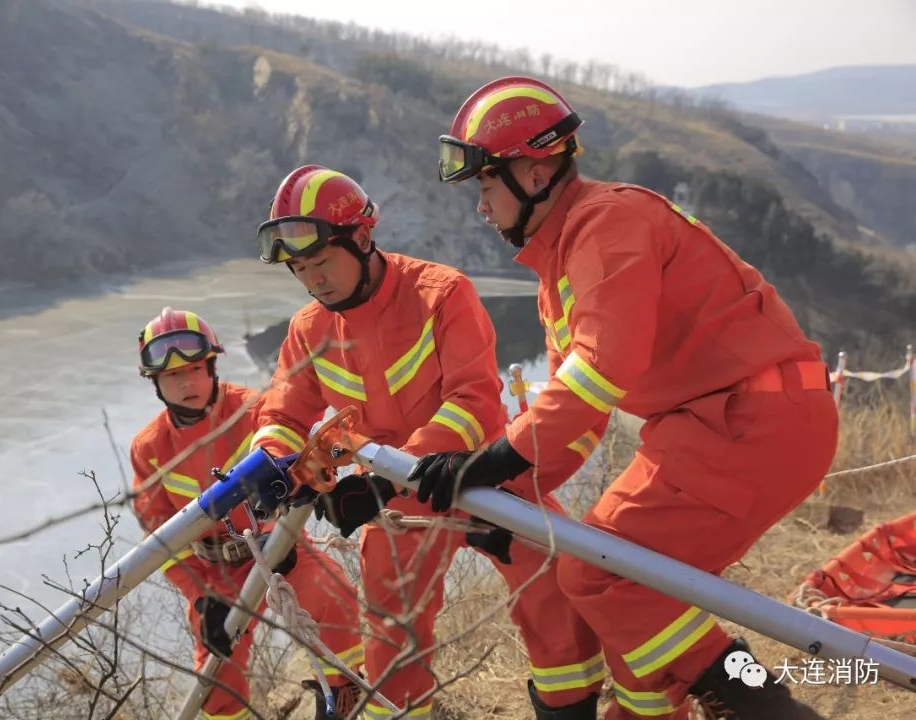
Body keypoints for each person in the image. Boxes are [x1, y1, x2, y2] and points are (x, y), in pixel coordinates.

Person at [410, 75, 837, 719]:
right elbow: (579, 414)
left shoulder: (607, 223)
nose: (480, 207)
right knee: (626, 604)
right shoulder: (562, 262)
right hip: (716, 425)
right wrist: (507, 493)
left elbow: (601, 369)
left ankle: (765, 707)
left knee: (601, 575)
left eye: (485, 185)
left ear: (533, 172)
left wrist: (498, 458)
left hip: (754, 422)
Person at [252, 165, 600, 719]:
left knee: (552, 593)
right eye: (298, 269)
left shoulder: (441, 293)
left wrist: (384, 480)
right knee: (394, 641)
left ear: (362, 238)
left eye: (320, 262)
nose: (312, 279)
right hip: (392, 503)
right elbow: (283, 414)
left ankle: (569, 711)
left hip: (483, 474)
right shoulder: (309, 330)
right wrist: (273, 469)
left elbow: (473, 403)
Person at [129, 307, 364, 720]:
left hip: (278, 547)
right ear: (156, 384)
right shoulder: (149, 448)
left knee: (334, 599)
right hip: (212, 574)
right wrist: (200, 599)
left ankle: (339, 699)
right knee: (218, 676)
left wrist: (295, 515)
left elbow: (294, 460)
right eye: (172, 376)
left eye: (195, 369)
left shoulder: (253, 411)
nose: (186, 382)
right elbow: (162, 540)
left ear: (212, 366)